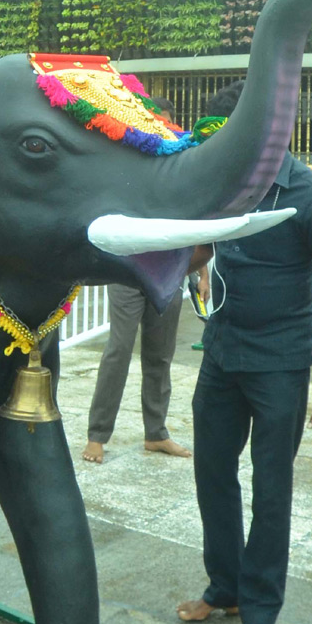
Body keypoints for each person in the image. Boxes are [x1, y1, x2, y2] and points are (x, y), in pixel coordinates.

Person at [177, 79, 312, 624]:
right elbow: (201, 251)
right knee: (212, 476)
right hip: (222, 354)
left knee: (270, 488)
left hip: (279, 363)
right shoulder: (224, 184)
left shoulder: (310, 194)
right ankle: (224, 589)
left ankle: (260, 613)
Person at [82, 97, 191, 465]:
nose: (158, 131)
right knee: (119, 349)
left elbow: (194, 218)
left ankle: (156, 433)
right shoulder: (125, 160)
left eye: (164, 125)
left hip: (170, 271)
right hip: (129, 269)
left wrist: (201, 273)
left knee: (160, 354)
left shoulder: (181, 163)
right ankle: (98, 435)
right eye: (151, 124)